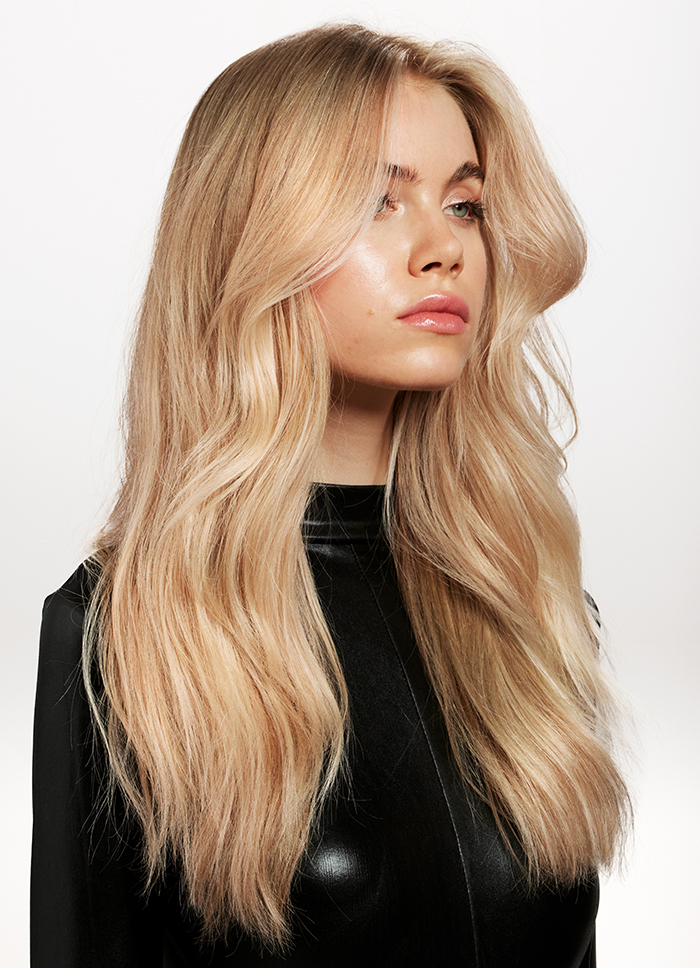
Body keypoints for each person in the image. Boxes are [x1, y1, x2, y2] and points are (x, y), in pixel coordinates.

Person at [31, 22, 630, 967]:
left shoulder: (537, 611)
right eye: (376, 202)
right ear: (251, 241)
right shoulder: (126, 638)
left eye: (464, 204)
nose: (442, 247)